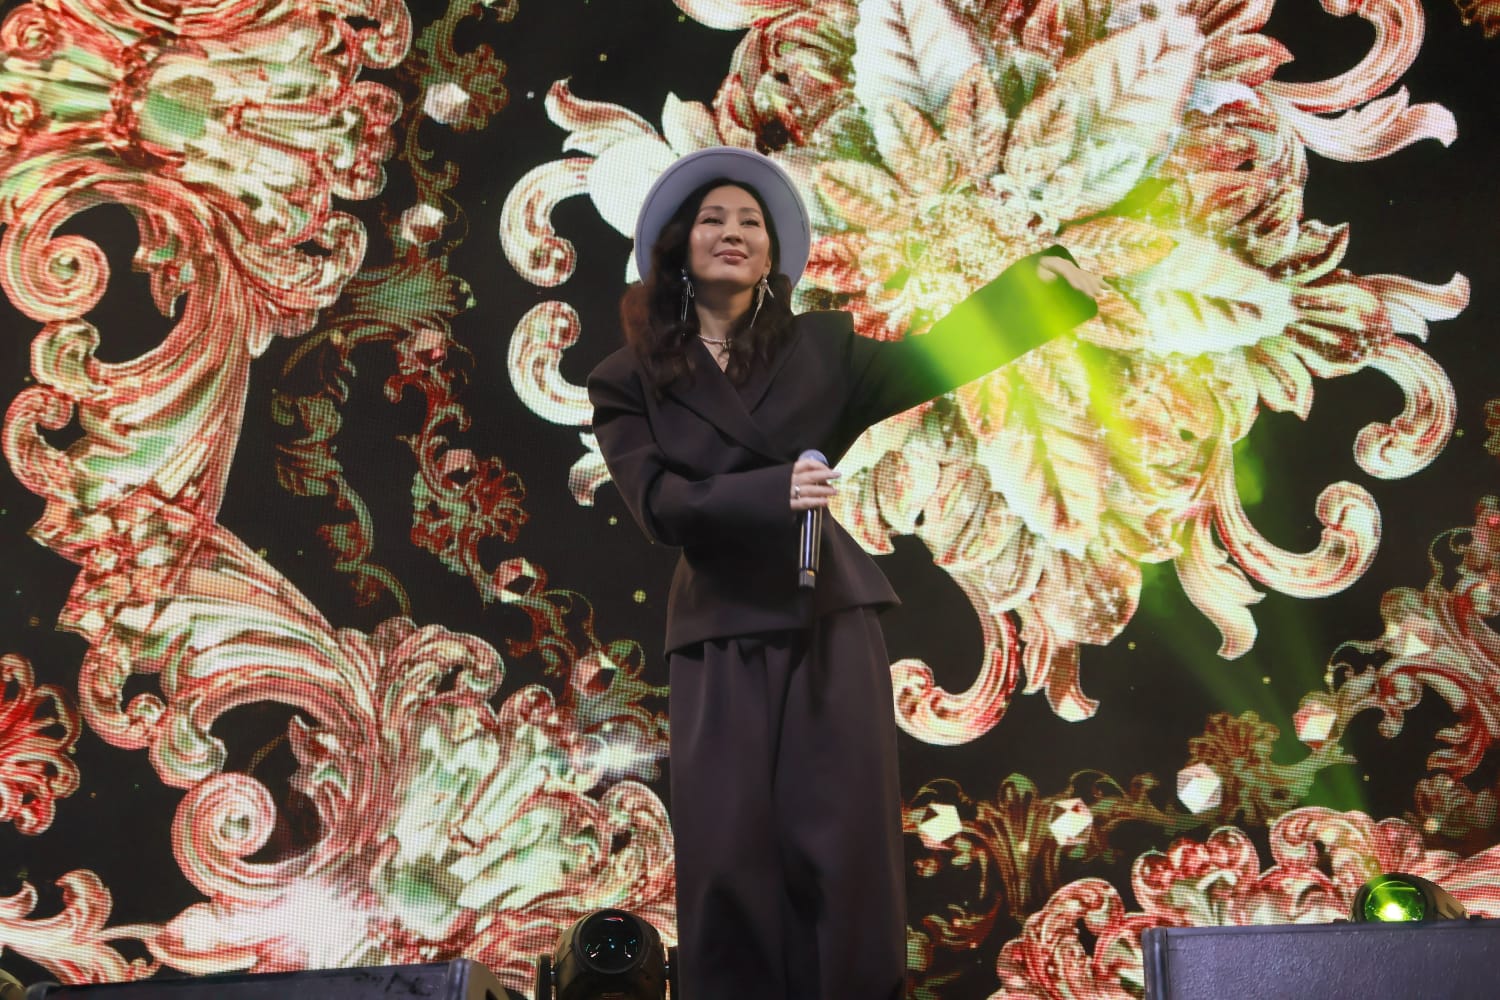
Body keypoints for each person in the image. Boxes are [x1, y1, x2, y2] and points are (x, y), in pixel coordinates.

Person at [587, 147, 1102, 1000]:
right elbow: (657, 506)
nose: (733, 232)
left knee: (843, 846)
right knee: (729, 854)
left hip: (826, 611)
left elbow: (934, 358)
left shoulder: (821, 349)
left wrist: (1038, 291)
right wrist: (773, 491)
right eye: (713, 219)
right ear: (678, 246)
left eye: (750, 222)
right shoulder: (626, 379)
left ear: (771, 255)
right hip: (718, 630)